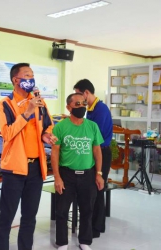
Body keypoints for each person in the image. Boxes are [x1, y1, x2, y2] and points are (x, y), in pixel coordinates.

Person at [0, 63, 57, 250]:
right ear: (16, 80)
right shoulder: (5, 103)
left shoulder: (39, 101)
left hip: (36, 167)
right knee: (7, 215)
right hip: (14, 167)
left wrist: (47, 135)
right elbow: (7, 133)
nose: (31, 78)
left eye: (32, 75)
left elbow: (48, 125)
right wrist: (27, 112)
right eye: (27, 75)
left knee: (29, 216)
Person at [51, 93, 105, 250]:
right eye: (77, 104)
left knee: (87, 209)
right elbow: (55, 153)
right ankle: (62, 242)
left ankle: (85, 241)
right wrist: (57, 178)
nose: (82, 107)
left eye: (84, 104)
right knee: (61, 210)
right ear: (69, 108)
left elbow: (97, 151)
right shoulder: (60, 127)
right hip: (67, 174)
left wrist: (99, 173)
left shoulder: (92, 126)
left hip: (87, 175)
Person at [73, 79, 113, 238]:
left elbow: (94, 135)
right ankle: (89, 225)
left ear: (86, 93)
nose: (77, 99)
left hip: (101, 152)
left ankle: (96, 228)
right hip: (92, 152)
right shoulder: (90, 108)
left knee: (97, 188)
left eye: (78, 94)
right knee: (91, 191)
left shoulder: (101, 109)